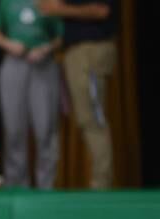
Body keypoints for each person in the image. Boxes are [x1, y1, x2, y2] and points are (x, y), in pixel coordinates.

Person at [38, 0, 117, 189]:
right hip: (78, 53)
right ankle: (101, 181)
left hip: (89, 51)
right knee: (87, 117)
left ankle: (101, 183)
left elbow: (102, 11)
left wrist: (59, 9)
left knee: (92, 118)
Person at [0, 0, 63, 189]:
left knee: (45, 127)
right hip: (14, 64)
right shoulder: (6, 3)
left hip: (43, 66)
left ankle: (46, 185)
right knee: (14, 128)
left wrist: (46, 48)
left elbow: (61, 36)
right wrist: (9, 44)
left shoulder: (49, 2)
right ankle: (16, 184)